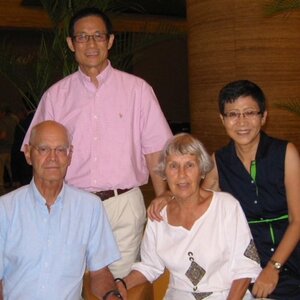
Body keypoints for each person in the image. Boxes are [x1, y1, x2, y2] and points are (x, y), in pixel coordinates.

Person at [21, 7, 172, 277]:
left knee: (119, 285)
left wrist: (162, 196)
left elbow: (155, 149)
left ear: (110, 41)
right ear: (71, 43)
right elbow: (36, 153)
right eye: (82, 37)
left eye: (98, 36)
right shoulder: (56, 96)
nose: (91, 44)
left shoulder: (138, 90)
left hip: (123, 204)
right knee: (67, 281)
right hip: (70, 202)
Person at [148, 80, 300, 299]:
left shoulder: (285, 153)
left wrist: (273, 268)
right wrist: (166, 194)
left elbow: (297, 220)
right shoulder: (219, 161)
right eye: (232, 114)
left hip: (289, 259)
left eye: (249, 112)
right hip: (244, 266)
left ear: (263, 116)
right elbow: (191, 189)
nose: (241, 122)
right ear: (222, 119)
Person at [118, 133, 261, 300]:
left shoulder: (226, 206)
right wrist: (120, 283)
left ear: (202, 171)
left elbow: (245, 266)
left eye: (190, 165)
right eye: (173, 166)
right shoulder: (158, 215)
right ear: (164, 173)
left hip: (227, 295)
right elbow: (150, 266)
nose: (182, 174)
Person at [0, 120, 122, 300]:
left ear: (70, 155)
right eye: (43, 149)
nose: (52, 158)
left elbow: (100, 273)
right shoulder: (5, 209)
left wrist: (112, 295)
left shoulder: (90, 207)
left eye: (60, 150)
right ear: (28, 153)